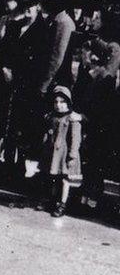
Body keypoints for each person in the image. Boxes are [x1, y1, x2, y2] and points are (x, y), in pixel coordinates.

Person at [41, 86, 83, 218]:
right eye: (56, 102)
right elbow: (48, 133)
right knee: (54, 177)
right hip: (54, 155)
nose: (58, 105)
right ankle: (53, 200)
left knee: (65, 180)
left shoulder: (72, 119)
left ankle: (62, 203)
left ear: (68, 102)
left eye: (62, 102)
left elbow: (75, 139)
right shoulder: (52, 117)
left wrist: (72, 155)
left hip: (65, 155)